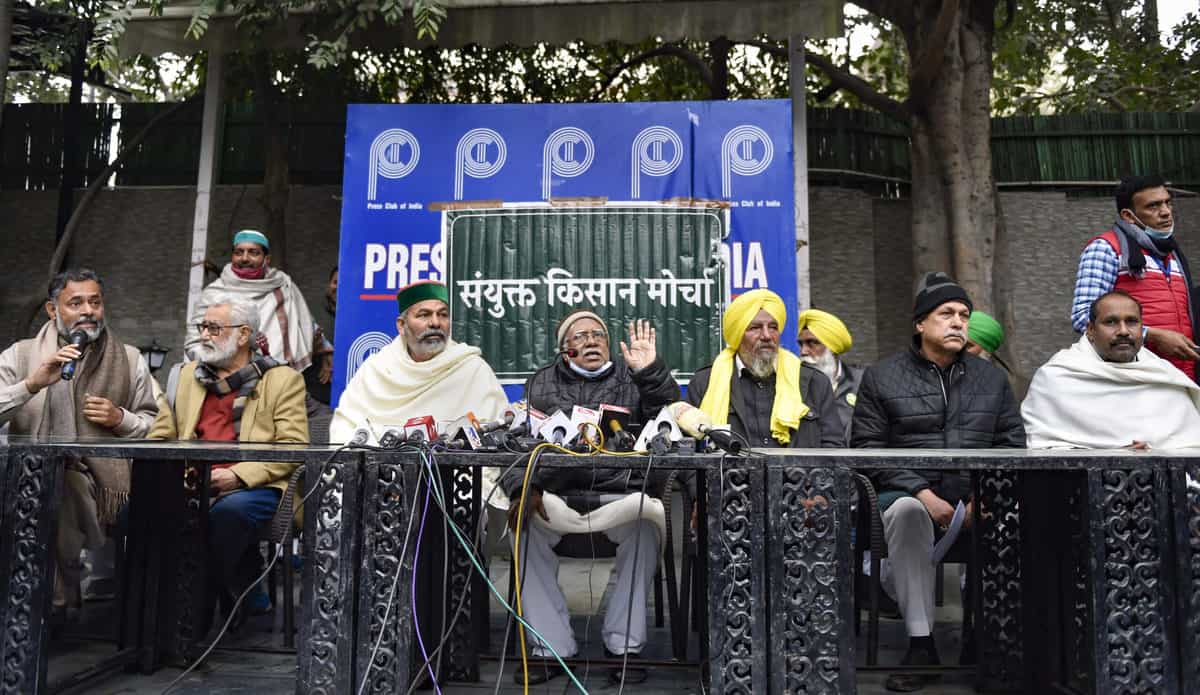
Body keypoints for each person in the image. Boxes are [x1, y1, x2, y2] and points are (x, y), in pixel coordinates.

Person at [851, 272, 1025, 692]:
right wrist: (924, 494)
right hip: (906, 492)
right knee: (909, 516)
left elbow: (1011, 446)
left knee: (1019, 517)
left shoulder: (992, 380)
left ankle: (987, 643)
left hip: (979, 494)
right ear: (920, 324)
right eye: (946, 313)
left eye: (964, 315)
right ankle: (921, 642)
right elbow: (868, 448)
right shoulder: (883, 376)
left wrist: (985, 495)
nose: (958, 322)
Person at [500, 311, 678, 685]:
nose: (592, 340)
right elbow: (517, 445)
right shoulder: (540, 383)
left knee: (646, 527)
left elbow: (668, 414)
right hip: (558, 496)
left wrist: (650, 372)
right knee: (524, 526)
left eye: (599, 334)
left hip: (619, 496)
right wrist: (523, 488)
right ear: (564, 349)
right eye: (580, 336)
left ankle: (623, 648)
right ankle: (551, 649)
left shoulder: (633, 378)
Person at [0, 269, 158, 620]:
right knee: (46, 484)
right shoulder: (20, 355)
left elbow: (158, 426)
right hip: (20, 474)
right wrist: (31, 384)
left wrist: (122, 419)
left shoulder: (129, 359)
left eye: (95, 302)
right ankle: (56, 599)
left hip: (97, 480)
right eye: (76, 303)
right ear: (52, 310)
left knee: (61, 486)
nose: (88, 310)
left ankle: (50, 606)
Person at [149, 296, 308, 625]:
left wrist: (237, 476)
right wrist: (171, 474)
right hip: (192, 480)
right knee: (137, 511)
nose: (204, 334)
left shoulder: (282, 380)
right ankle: (150, 615)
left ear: (243, 334)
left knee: (228, 514)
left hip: (256, 485)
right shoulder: (185, 376)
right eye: (202, 327)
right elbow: (160, 436)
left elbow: (293, 447)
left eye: (214, 327)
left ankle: (194, 614)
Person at [329, 280, 508, 443]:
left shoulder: (472, 370)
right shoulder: (377, 370)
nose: (435, 323)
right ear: (401, 325)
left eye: (443, 315)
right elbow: (345, 427)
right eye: (424, 315)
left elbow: (496, 434)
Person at [1024, 291, 1200, 449]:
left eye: (1132, 322)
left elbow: (1191, 444)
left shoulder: (1165, 376)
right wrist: (1112, 455)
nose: (1123, 331)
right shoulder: (1057, 377)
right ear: (1091, 330)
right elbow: (1044, 447)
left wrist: (1155, 452)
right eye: (1111, 322)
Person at [1070, 174, 1197, 380]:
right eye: (1153, 206)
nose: (1165, 212)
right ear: (1128, 215)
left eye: (1167, 203)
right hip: (1134, 377)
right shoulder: (1105, 249)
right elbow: (1083, 317)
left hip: (1182, 374)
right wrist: (1152, 336)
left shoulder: (1172, 254)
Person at [686, 289, 843, 448]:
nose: (767, 335)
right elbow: (689, 455)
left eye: (773, 327)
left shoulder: (814, 383)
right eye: (755, 328)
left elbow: (834, 450)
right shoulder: (704, 383)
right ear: (737, 334)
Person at [186, 230, 318, 376]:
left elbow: (306, 324)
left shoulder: (283, 286)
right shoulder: (214, 292)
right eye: (239, 252)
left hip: (280, 376)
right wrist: (220, 369)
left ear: (266, 259)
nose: (244, 258)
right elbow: (194, 341)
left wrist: (326, 354)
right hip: (226, 378)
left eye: (253, 252)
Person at [797, 308, 864, 442]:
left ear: (833, 348)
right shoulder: (792, 385)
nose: (803, 351)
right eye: (801, 344)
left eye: (812, 343)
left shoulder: (861, 382)